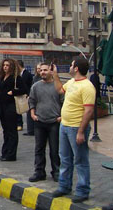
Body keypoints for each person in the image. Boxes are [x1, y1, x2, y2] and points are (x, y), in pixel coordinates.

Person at [51, 57, 95, 203]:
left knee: (80, 160)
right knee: (65, 158)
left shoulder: (87, 86)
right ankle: (64, 186)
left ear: (76, 68)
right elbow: (59, 90)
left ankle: (82, 190)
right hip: (65, 125)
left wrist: (81, 131)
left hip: (76, 127)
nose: (69, 67)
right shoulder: (71, 82)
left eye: (71, 65)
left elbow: (88, 111)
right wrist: (55, 75)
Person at [28, 63, 62, 183]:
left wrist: (61, 116)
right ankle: (39, 172)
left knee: (54, 149)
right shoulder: (35, 86)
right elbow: (31, 100)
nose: (42, 72)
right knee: (39, 148)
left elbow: (63, 100)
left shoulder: (57, 86)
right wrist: (33, 114)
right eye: (41, 70)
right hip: (39, 121)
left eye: (45, 70)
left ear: (51, 71)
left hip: (54, 122)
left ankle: (56, 172)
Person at [0, 58, 27, 162]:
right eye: (4, 65)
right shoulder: (2, 77)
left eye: (7, 65)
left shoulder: (16, 78)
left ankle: (11, 154)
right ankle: (4, 152)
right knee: (5, 131)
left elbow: (24, 90)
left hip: (11, 106)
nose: (5, 67)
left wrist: (13, 92)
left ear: (12, 67)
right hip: (2, 107)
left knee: (12, 131)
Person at [18, 60, 34, 136]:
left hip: (26, 95)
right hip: (20, 95)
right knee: (19, 109)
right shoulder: (18, 74)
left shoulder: (27, 74)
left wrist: (28, 94)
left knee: (28, 111)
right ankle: (19, 124)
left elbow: (30, 85)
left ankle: (30, 128)